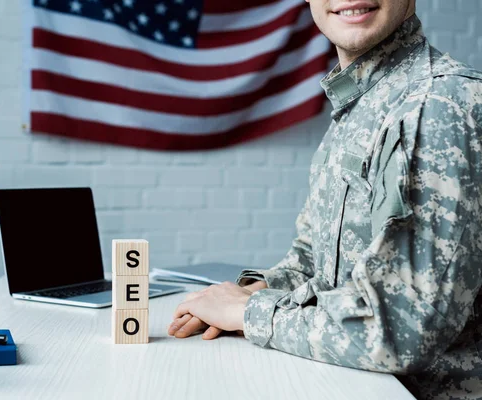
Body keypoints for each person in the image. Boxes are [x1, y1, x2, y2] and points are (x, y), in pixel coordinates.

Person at [167, 0, 482, 398]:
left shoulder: (437, 105)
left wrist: (247, 313)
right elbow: (315, 259)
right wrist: (252, 290)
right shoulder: (360, 103)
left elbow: (403, 330)